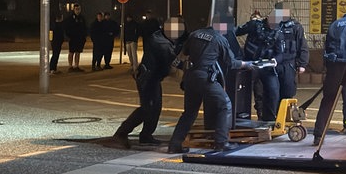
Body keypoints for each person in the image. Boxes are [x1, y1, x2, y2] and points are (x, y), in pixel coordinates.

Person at [167, 25, 254, 153]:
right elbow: (231, 63)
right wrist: (247, 64)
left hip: (190, 77)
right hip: (205, 78)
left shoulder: (195, 33)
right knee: (225, 105)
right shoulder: (219, 39)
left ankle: (174, 144)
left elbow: (184, 54)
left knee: (189, 112)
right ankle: (221, 142)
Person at [108, 18, 176, 148]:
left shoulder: (156, 39)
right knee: (147, 108)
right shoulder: (159, 42)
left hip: (151, 77)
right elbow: (170, 60)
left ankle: (146, 135)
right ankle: (121, 133)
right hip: (147, 78)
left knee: (155, 107)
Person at [312, 3, 346, 148]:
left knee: (328, 100)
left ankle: (318, 136)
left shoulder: (335, 24)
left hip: (335, 67)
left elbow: (327, 47)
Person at [235, 11, 284, 122]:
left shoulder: (278, 33)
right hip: (249, 65)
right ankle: (239, 118)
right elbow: (235, 32)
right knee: (241, 91)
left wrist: (275, 60)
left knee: (273, 91)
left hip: (267, 67)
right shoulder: (254, 25)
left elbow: (280, 53)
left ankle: (269, 120)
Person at [272, 3, 309, 100]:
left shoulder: (295, 26)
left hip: (289, 64)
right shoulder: (271, 25)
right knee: (271, 92)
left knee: (288, 91)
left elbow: (302, 45)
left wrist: (302, 64)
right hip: (273, 63)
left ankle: (285, 114)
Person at [65, 4, 87, 72]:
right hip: (73, 38)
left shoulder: (82, 18)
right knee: (71, 52)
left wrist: (84, 37)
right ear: (74, 10)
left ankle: (76, 65)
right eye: (76, 9)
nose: (78, 11)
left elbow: (84, 28)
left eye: (79, 9)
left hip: (80, 38)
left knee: (78, 52)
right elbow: (67, 28)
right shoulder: (70, 18)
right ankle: (70, 66)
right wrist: (69, 37)